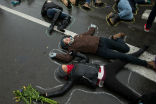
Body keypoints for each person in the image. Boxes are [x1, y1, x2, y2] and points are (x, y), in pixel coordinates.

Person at [36, 46, 153, 104]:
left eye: (63, 66)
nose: (65, 66)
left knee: (124, 59)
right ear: (65, 73)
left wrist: (76, 53)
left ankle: (141, 50)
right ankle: (140, 101)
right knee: (124, 91)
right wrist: (46, 94)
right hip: (105, 79)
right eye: (63, 68)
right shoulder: (73, 78)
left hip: (106, 68)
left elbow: (85, 58)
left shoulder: (75, 64)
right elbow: (62, 91)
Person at [49, 24, 156, 70]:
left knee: (126, 49)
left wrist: (92, 28)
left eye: (66, 38)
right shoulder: (72, 49)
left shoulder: (77, 36)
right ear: (66, 45)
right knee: (124, 56)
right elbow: (67, 58)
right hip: (101, 50)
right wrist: (56, 55)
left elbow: (88, 33)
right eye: (65, 41)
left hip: (102, 40)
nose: (67, 39)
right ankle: (148, 63)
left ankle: (115, 38)